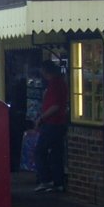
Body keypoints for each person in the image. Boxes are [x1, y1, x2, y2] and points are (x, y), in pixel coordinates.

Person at [34, 61, 68, 192]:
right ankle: (58, 182)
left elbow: (55, 106)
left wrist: (41, 118)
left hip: (52, 123)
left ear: (45, 71)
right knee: (56, 154)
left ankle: (46, 180)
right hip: (59, 123)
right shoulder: (61, 83)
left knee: (39, 151)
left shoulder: (54, 85)